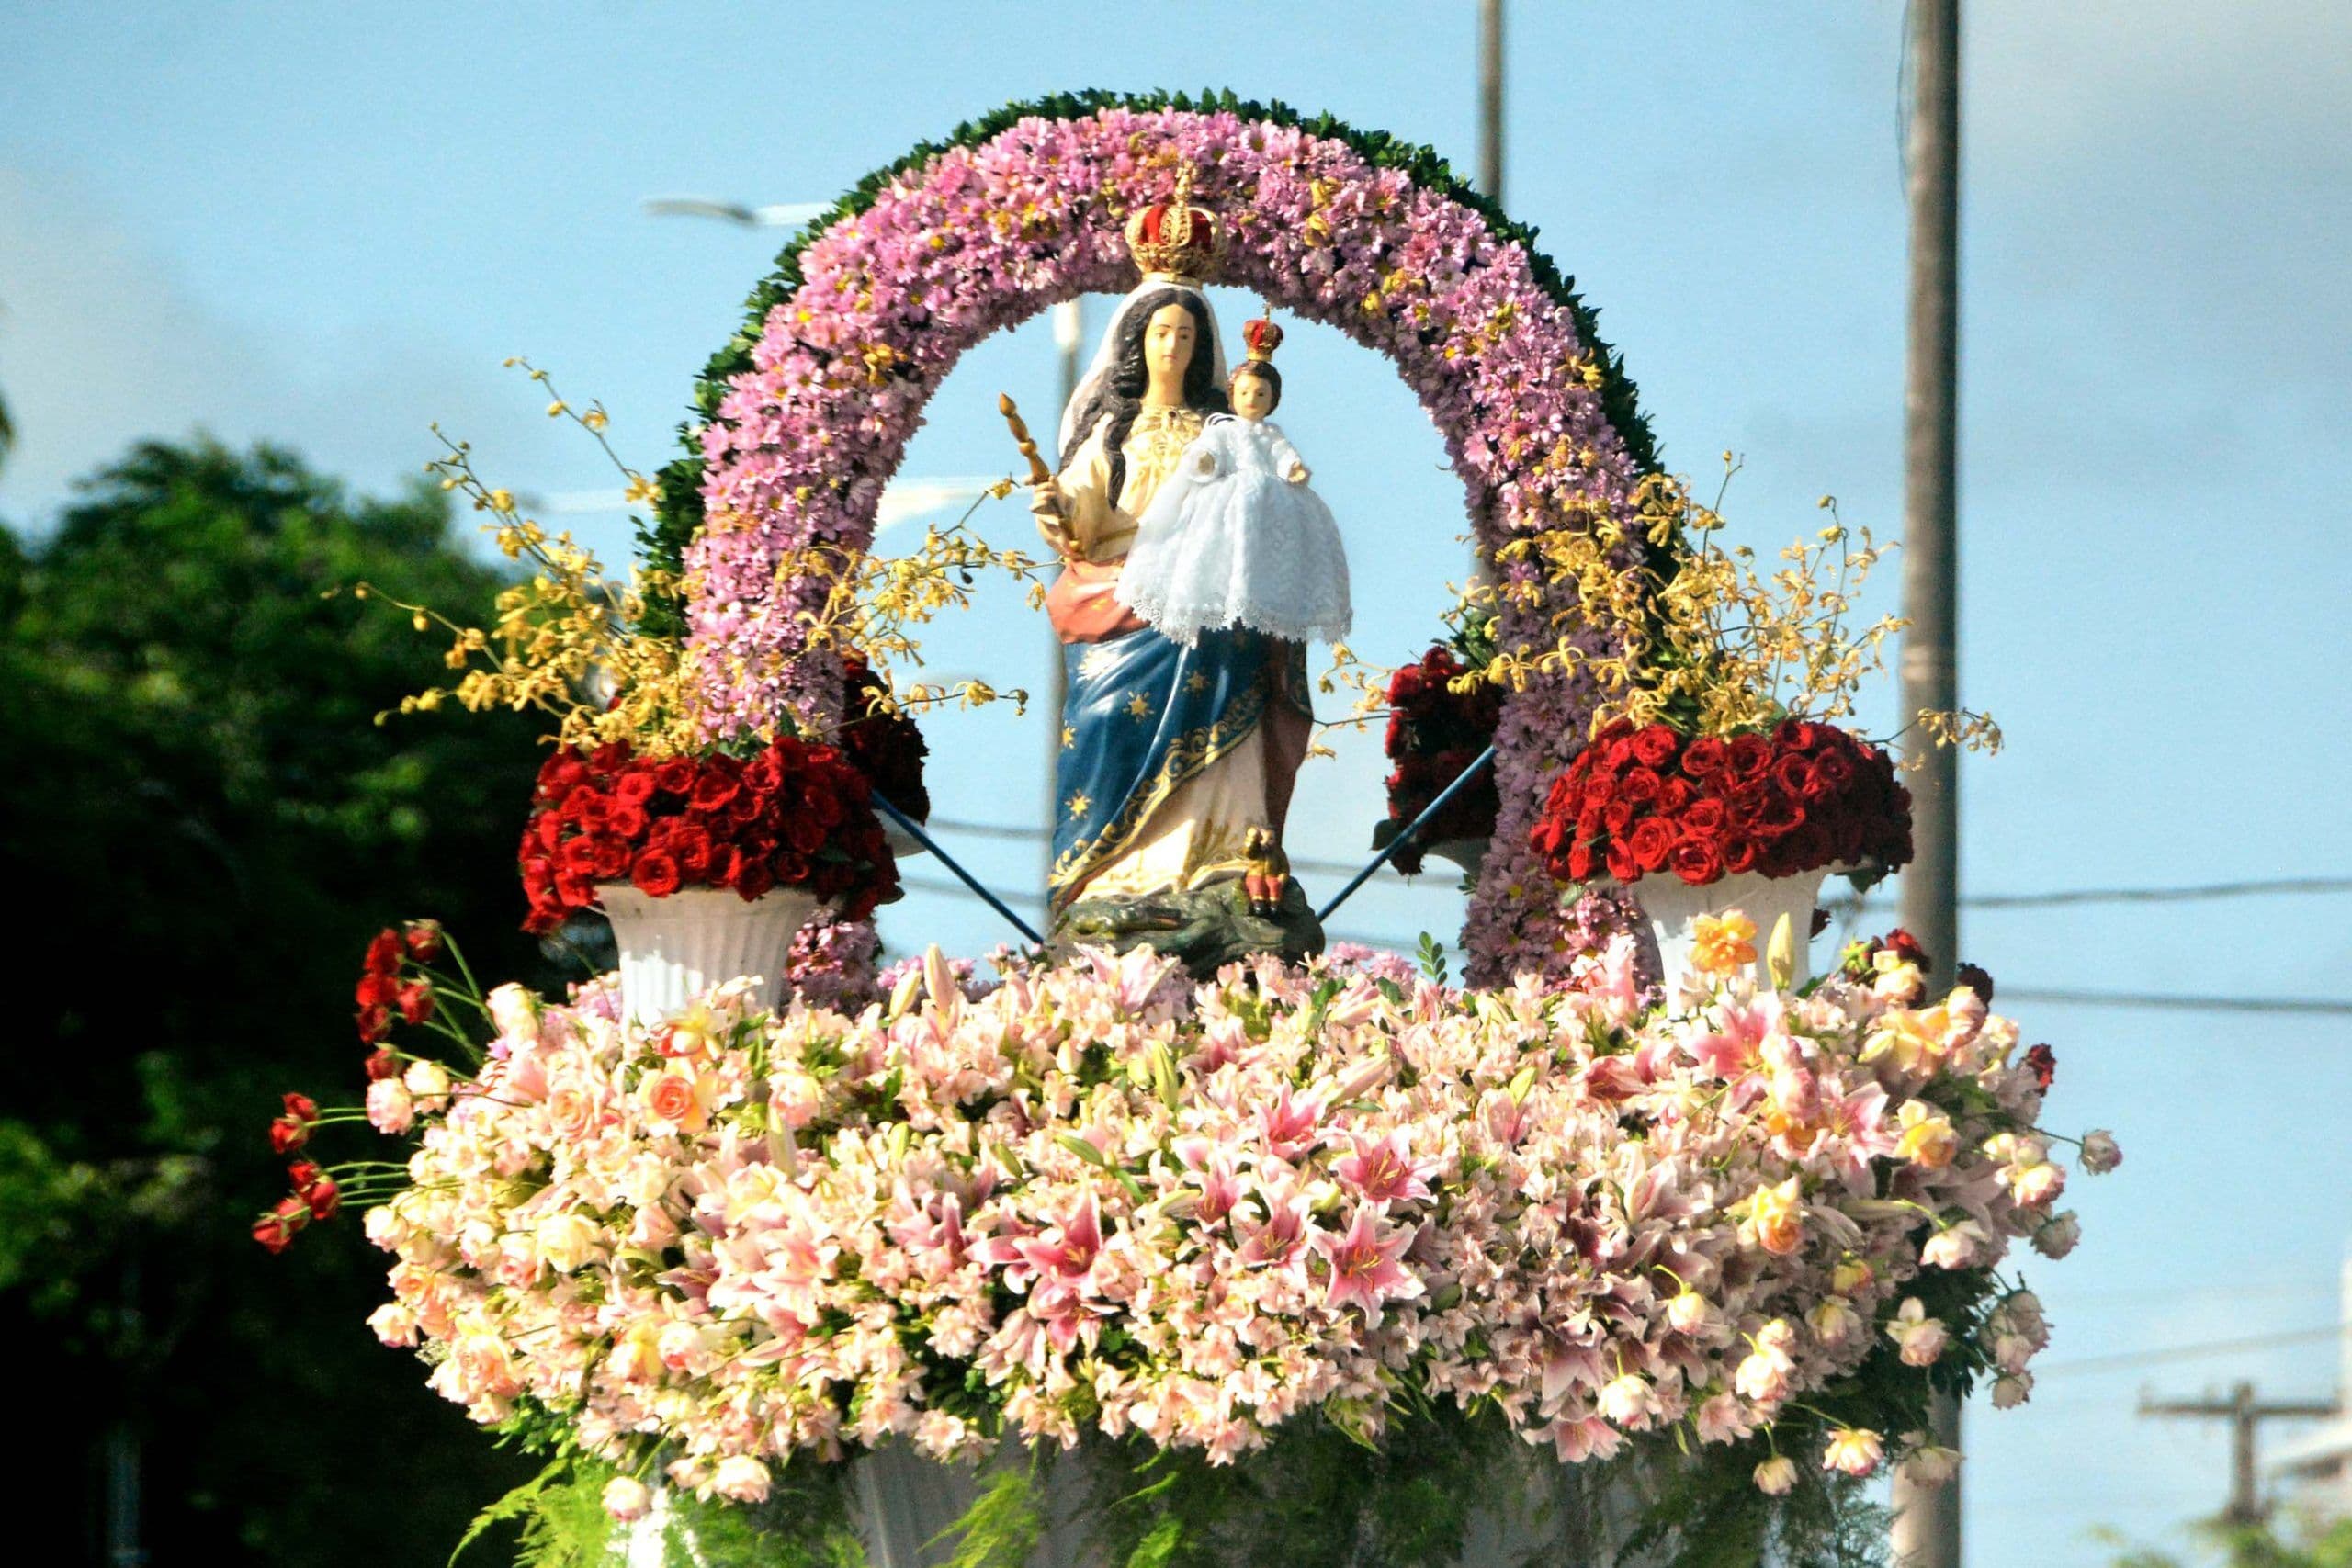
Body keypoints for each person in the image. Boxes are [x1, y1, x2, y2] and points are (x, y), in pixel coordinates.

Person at [1030, 284, 1312, 917]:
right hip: (1124, 598)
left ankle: (1216, 855)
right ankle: (1112, 873)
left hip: (1207, 598)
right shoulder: (1113, 430)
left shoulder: (1221, 430)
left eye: (1186, 335)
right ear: (1137, 342)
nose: (1173, 347)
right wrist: (1059, 509)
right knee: (1104, 719)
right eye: (1161, 333)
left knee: (1227, 693)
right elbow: (1083, 511)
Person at [1116, 314, 1352, 649]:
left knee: (1273, 547)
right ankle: (1215, 594)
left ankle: (1264, 594)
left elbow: (1283, 455)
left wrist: (1292, 468)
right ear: (1232, 395)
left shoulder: (1272, 435)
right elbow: (1209, 451)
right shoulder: (1224, 428)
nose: (1252, 399)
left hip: (1271, 505)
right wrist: (1207, 462)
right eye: (1245, 392)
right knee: (1213, 545)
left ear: (1272, 399)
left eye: (1260, 394)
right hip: (1227, 501)